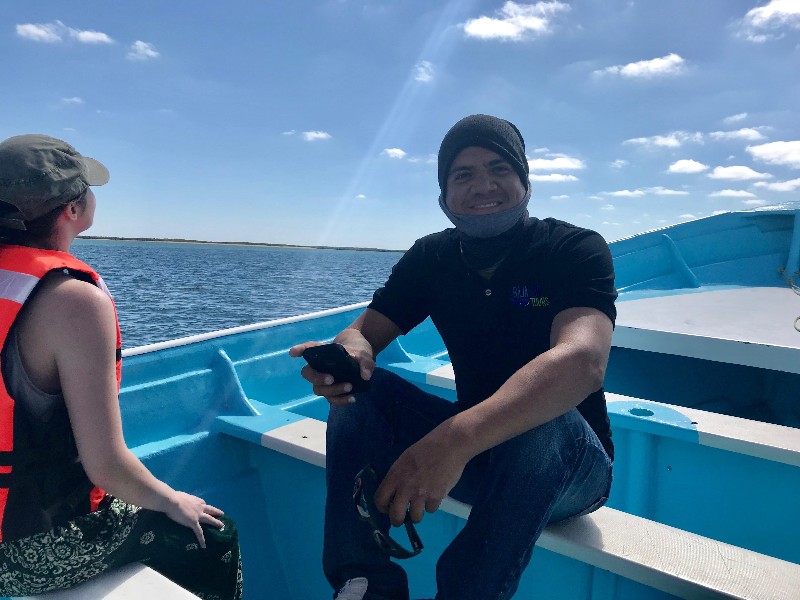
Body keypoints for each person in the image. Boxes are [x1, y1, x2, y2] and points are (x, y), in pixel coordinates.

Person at [290, 114, 616, 600]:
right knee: (363, 391)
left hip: (570, 469)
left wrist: (453, 441)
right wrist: (349, 351)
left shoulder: (572, 248)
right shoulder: (431, 257)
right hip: (475, 457)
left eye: (499, 168)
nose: (483, 185)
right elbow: (364, 332)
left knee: (545, 418)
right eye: (462, 174)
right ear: (444, 196)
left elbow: (582, 361)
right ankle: (363, 583)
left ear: (525, 181)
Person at [0, 134, 242, 598]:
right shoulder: (71, 301)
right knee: (213, 536)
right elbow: (106, 466)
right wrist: (174, 501)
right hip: (22, 549)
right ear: (73, 209)